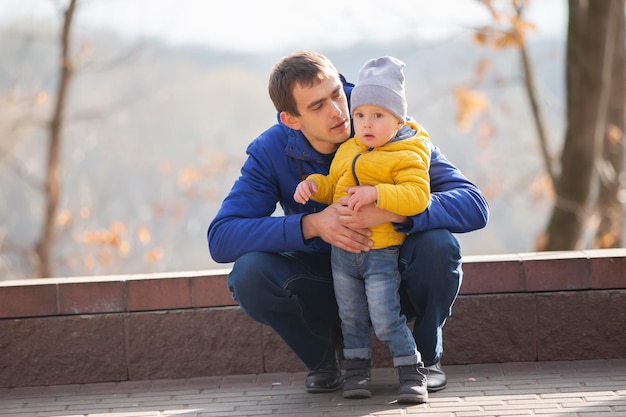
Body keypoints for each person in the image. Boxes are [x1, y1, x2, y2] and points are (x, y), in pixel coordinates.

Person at [207, 51, 489, 396]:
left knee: (439, 244)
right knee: (249, 273)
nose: (339, 112)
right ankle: (326, 360)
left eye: (337, 94)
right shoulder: (270, 151)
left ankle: (426, 358)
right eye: (317, 106)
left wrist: (396, 211)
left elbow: (474, 205)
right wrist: (312, 225)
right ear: (291, 119)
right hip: (327, 282)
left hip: (393, 272)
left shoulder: (385, 119)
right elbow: (221, 238)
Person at [293, 56, 431, 403]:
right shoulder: (349, 149)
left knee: (385, 318)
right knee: (350, 316)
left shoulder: (407, 152)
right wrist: (313, 185)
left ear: (398, 118)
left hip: (379, 250)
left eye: (378, 115)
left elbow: (418, 196)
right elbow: (334, 183)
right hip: (342, 256)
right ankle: (356, 373)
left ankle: (411, 371)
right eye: (359, 115)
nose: (366, 124)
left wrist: (378, 194)